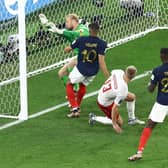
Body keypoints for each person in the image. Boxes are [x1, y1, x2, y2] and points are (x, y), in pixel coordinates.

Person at [128, 48, 168, 161]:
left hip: (162, 103)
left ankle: (139, 152)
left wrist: (150, 84)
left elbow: (151, 89)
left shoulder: (157, 70)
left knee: (150, 125)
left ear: (162, 56)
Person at [64, 22, 110, 118]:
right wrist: (108, 77)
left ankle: (75, 108)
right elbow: (101, 61)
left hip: (81, 69)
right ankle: (77, 107)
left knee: (69, 83)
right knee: (83, 85)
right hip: (93, 71)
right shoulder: (102, 43)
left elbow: (68, 49)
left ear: (89, 30)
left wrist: (67, 48)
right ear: (98, 31)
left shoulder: (81, 40)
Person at [39, 13, 89, 90]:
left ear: (73, 21)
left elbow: (78, 34)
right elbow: (57, 31)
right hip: (80, 57)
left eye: (67, 22)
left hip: (89, 57)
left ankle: (76, 89)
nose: (65, 24)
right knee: (61, 73)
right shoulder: (70, 32)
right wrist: (46, 24)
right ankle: (72, 92)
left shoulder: (82, 28)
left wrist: (62, 32)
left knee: (72, 64)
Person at [89, 66, 145, 133]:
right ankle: (94, 118)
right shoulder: (123, 90)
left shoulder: (119, 72)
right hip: (105, 102)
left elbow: (112, 73)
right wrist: (114, 124)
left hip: (106, 92)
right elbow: (114, 108)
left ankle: (132, 119)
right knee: (120, 123)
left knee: (132, 97)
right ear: (133, 77)